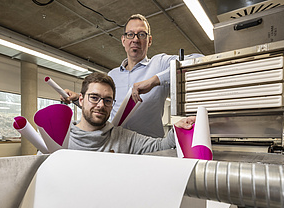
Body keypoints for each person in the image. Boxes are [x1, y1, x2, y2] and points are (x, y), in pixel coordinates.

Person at [63, 14, 202, 138]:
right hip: (117, 146)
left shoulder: (159, 63)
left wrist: (154, 80)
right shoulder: (112, 75)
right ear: (123, 40)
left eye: (141, 34)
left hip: (150, 150)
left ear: (149, 40)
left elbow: (198, 59)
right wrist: (78, 100)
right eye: (130, 34)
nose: (135, 39)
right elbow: (103, 108)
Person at [68, 72, 196, 154]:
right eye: (94, 98)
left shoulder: (123, 138)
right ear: (81, 99)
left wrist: (177, 130)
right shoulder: (61, 137)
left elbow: (160, 145)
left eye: (107, 100)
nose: (101, 105)